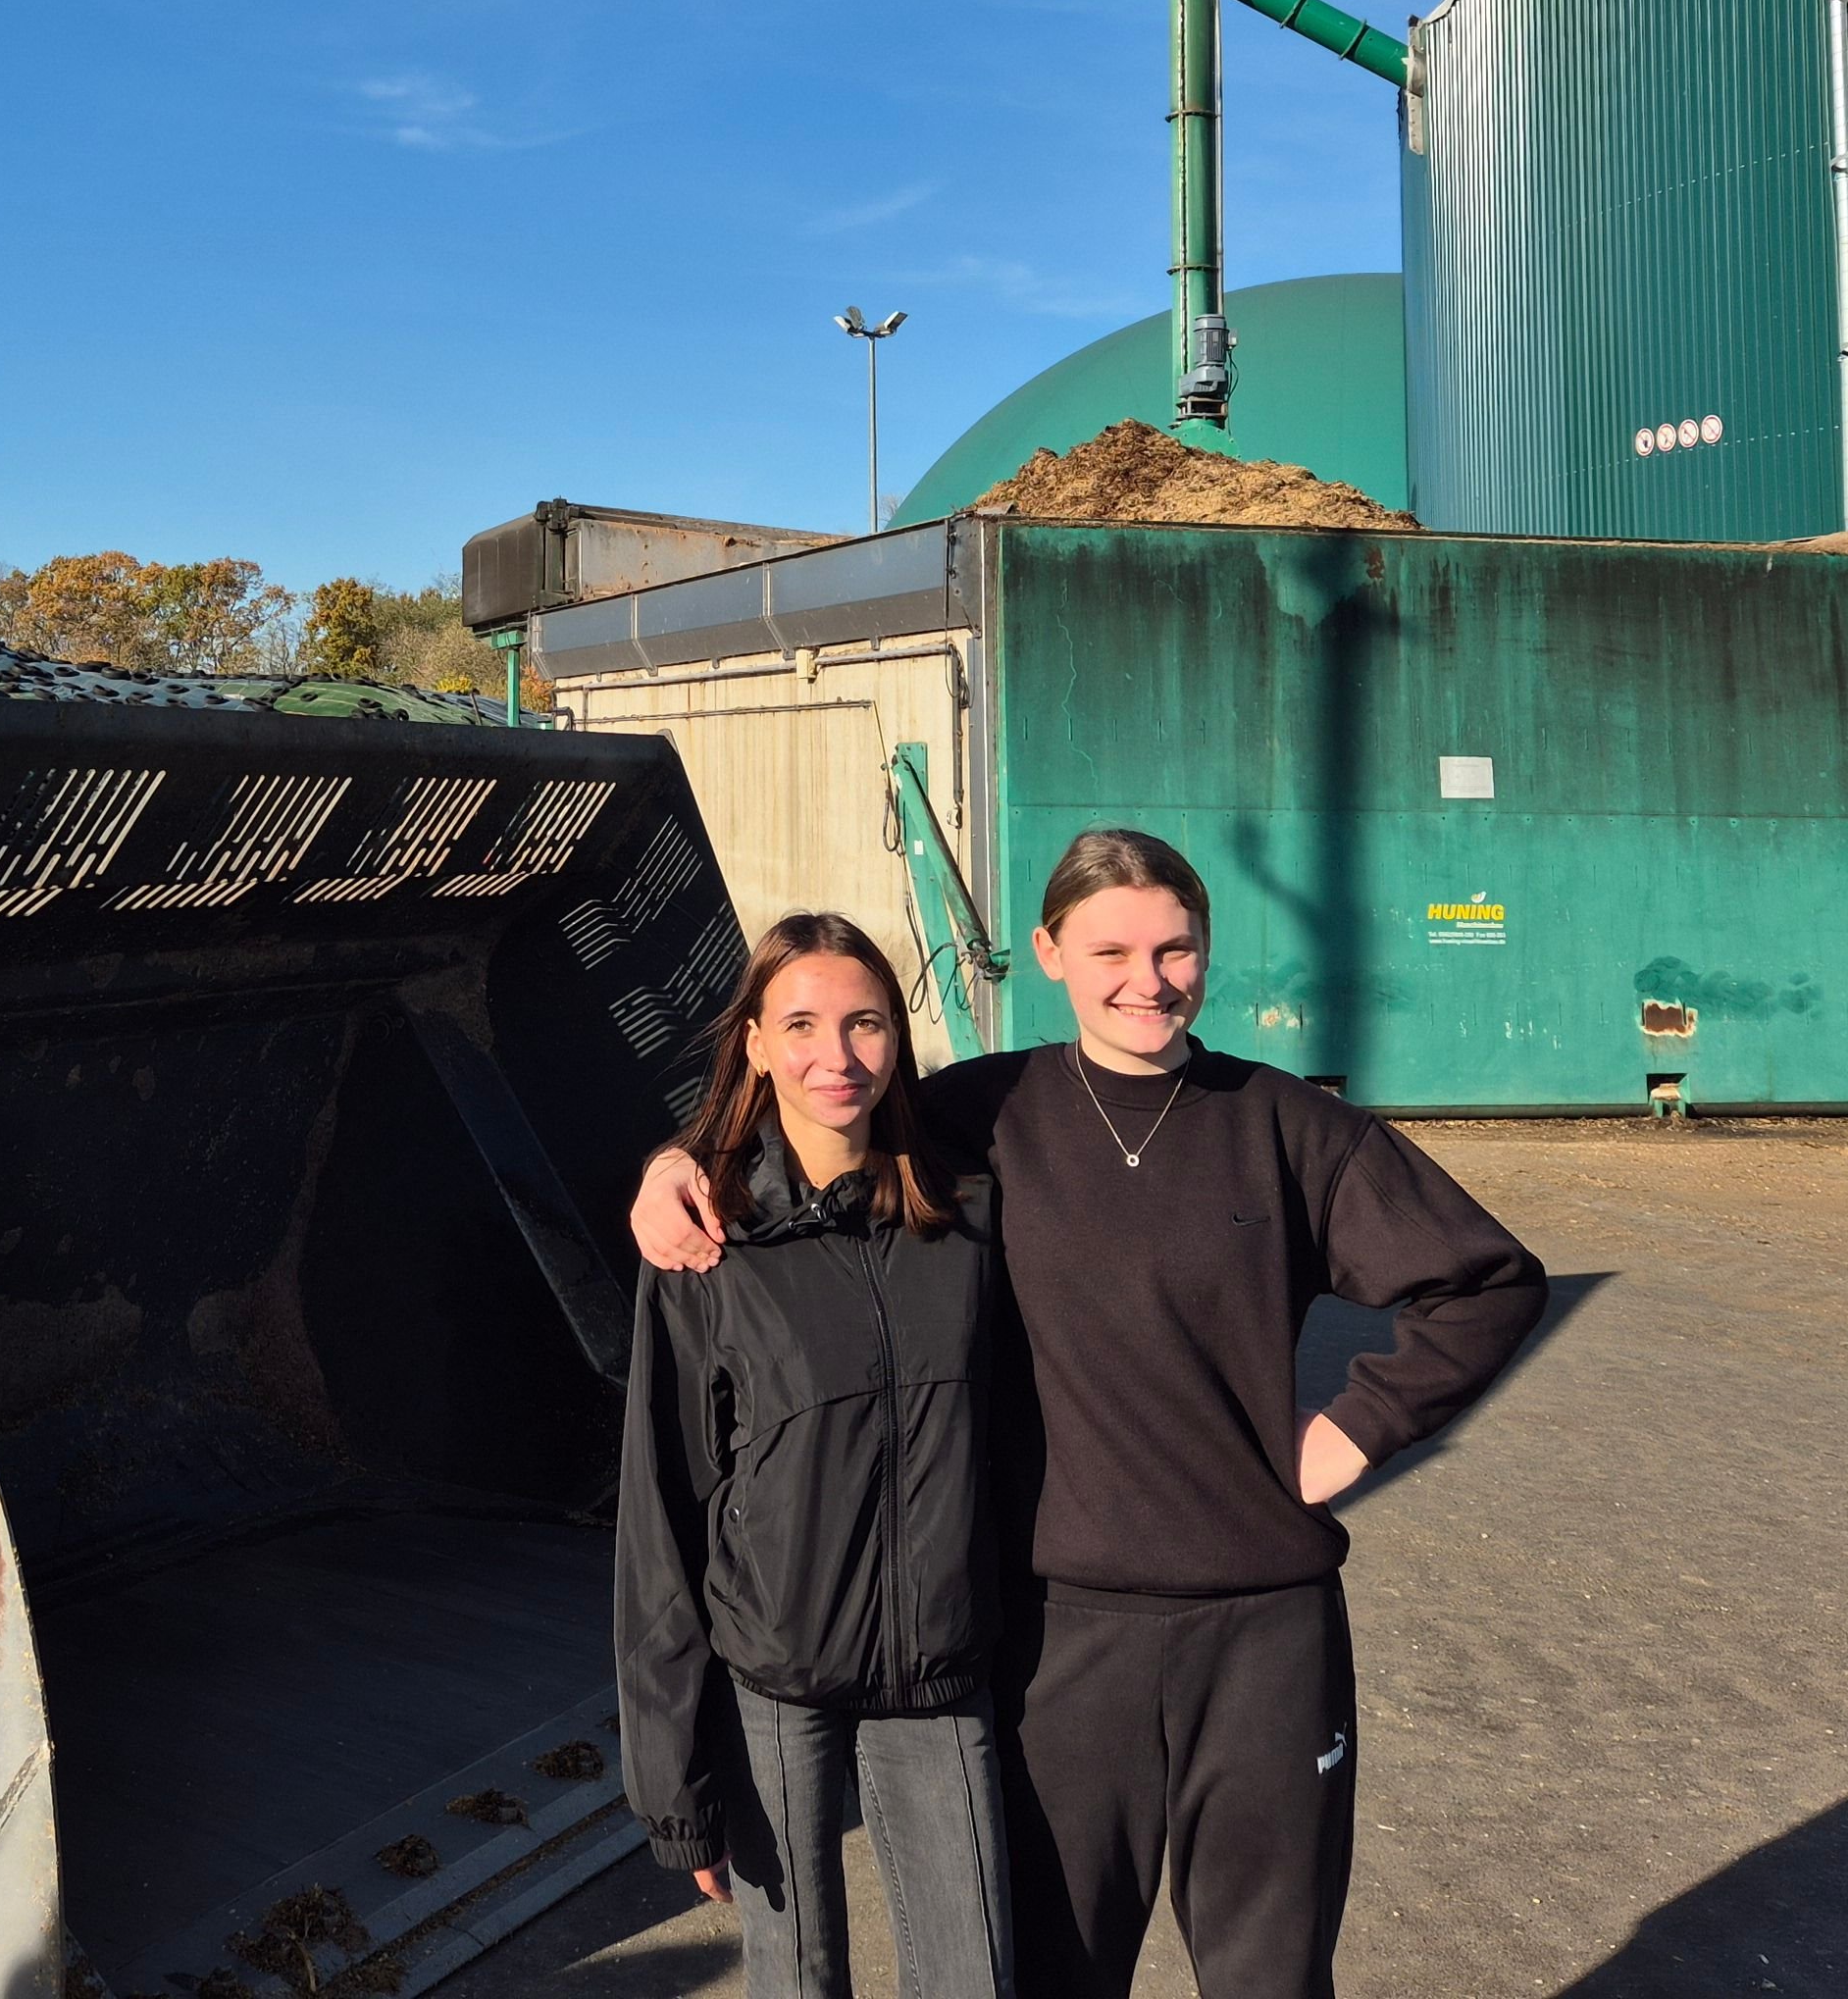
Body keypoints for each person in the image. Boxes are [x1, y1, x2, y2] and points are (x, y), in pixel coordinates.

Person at [632, 830, 1543, 1999]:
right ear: (1051, 951)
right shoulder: (985, 1112)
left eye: (1176, 949)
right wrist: (677, 1160)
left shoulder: (1285, 1126)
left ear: (1207, 953)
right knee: (1056, 1972)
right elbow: (816, 1104)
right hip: (1057, 1640)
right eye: (1110, 949)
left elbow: (1487, 1281)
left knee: (1272, 1975)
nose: (1147, 979)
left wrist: (1358, 1426)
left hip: (1265, 1635)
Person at [614, 911, 1017, 1999]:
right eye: (799, 1024)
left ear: (898, 1036)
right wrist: (674, 1780)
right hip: (772, 1690)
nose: (835, 1057)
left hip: (938, 1677)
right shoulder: (710, 1239)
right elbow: (663, 1507)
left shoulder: (971, 1213)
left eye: (865, 1023)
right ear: (750, 1042)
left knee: (973, 1979)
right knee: (796, 1983)